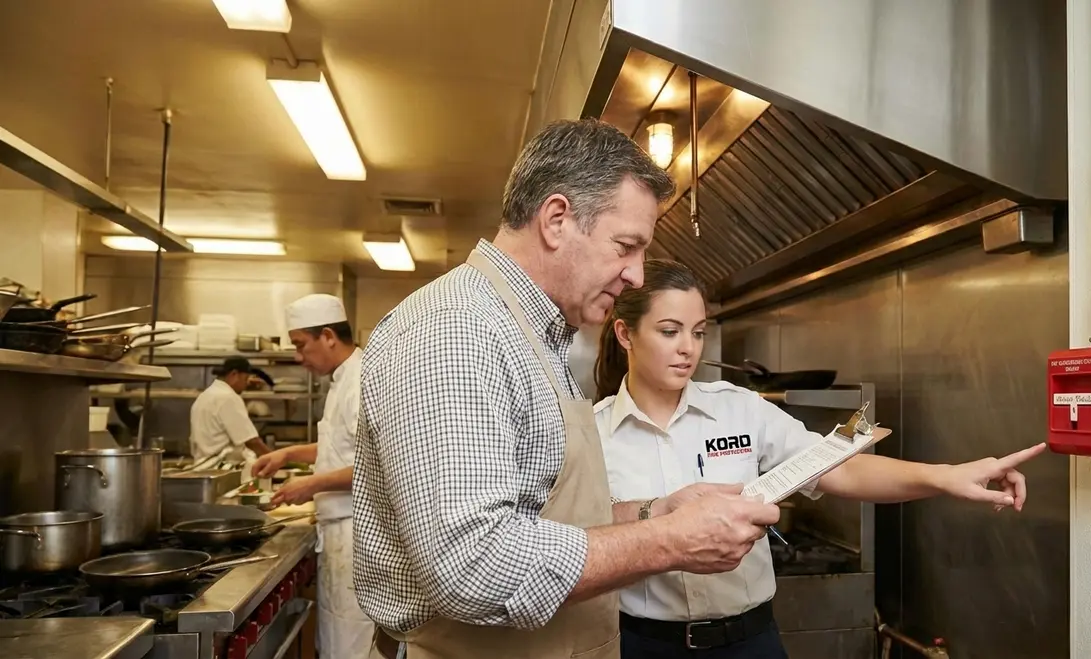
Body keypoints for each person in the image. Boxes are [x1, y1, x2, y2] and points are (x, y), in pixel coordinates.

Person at [352, 118, 782, 659]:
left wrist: (656, 512)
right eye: (626, 246)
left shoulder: (529, 334)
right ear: (556, 220)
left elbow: (539, 517)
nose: (636, 275)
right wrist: (670, 540)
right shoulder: (458, 329)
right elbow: (474, 565)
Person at [592, 259, 1047, 659]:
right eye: (669, 331)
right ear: (625, 333)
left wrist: (947, 476)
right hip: (638, 645)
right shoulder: (591, 434)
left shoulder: (739, 409)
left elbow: (841, 468)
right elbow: (572, 536)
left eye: (698, 332)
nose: (688, 348)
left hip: (748, 644)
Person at [250, 293, 380, 659]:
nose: (298, 357)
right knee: (338, 636)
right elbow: (342, 446)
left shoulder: (361, 381)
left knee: (352, 641)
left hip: (357, 535)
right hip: (339, 533)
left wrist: (311, 484)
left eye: (300, 345)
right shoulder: (341, 380)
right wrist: (289, 454)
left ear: (328, 336)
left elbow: (376, 465)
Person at [189, 356, 272, 462]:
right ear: (234, 374)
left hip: (203, 463)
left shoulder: (206, 395)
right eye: (245, 379)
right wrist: (275, 458)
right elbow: (251, 441)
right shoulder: (229, 397)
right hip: (224, 466)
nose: (246, 384)